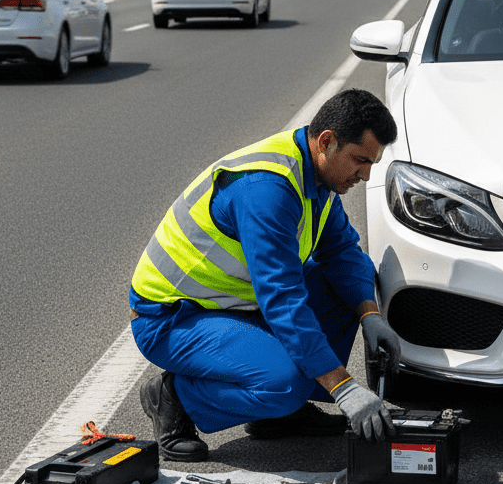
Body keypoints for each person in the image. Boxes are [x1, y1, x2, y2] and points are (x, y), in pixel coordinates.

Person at [130, 88, 402, 461]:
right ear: (326, 142)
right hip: (174, 316)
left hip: (234, 303)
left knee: (345, 288)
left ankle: (279, 415)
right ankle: (175, 396)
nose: (366, 174)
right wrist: (343, 387)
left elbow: (342, 252)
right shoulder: (267, 190)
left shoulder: (319, 177)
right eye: (360, 160)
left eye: (372, 163)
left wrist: (370, 314)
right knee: (284, 383)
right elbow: (283, 299)